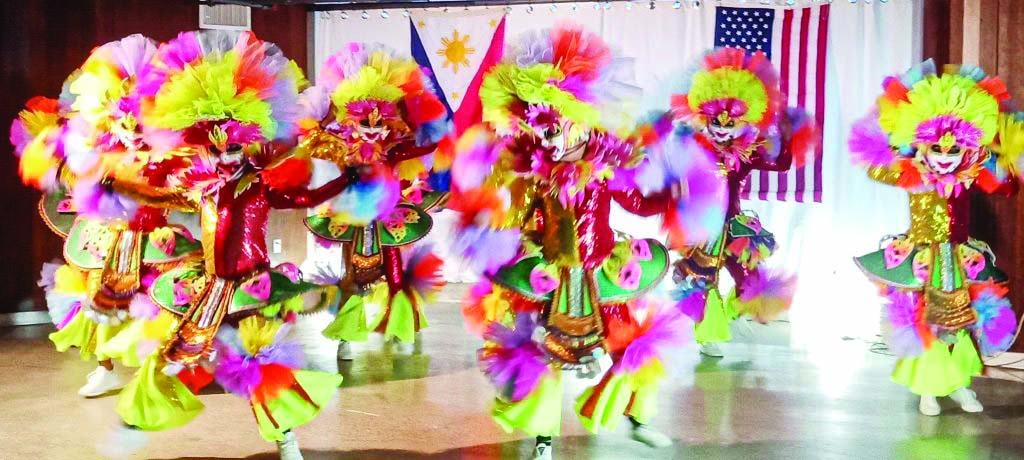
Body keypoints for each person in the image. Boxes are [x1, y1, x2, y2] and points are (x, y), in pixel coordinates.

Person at [450, 23, 717, 460]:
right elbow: (515, 213)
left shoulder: (605, 162)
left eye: (558, 121)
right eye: (540, 122)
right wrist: (487, 219)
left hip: (601, 270)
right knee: (539, 356)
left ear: (580, 117)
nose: (550, 133)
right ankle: (542, 441)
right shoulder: (529, 165)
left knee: (630, 345)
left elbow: (637, 202)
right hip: (547, 271)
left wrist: (673, 196)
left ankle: (637, 419)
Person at [98, 30, 348, 460]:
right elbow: (160, 195)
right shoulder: (202, 189)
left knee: (262, 366)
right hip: (210, 289)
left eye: (232, 147)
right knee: (177, 356)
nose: (224, 157)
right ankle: (135, 424)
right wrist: (121, 182)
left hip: (251, 290)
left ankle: (287, 441)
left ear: (245, 144)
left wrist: (346, 180)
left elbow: (304, 198)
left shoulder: (257, 186)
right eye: (215, 149)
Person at [10, 35, 200, 397]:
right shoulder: (99, 136)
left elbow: (175, 185)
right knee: (97, 296)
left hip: (152, 236)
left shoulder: (165, 142)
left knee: (158, 299)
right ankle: (106, 367)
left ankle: (160, 367)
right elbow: (78, 168)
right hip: (108, 235)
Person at [850, 60, 1021, 416]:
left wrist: (1005, 156)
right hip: (922, 259)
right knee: (925, 321)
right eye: (937, 149)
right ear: (923, 146)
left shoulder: (972, 174)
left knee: (961, 321)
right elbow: (874, 165)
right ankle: (928, 389)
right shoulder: (913, 172)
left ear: (967, 149)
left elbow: (1006, 187)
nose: (944, 157)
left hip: (959, 259)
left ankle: (959, 385)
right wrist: (886, 139)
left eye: (953, 150)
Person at [296, 43, 449, 357]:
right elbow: (313, 142)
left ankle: (401, 327)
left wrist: (424, 121)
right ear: (353, 119)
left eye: (380, 122)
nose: (373, 128)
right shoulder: (342, 149)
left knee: (394, 277)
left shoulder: (393, 150)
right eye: (366, 121)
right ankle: (346, 337)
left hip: (388, 221)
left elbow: (423, 146)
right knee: (352, 279)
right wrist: (320, 122)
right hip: (353, 221)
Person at [666, 47, 815, 358]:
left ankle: (729, 316)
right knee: (702, 283)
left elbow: (780, 164)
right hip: (701, 228)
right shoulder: (690, 147)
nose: (721, 129)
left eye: (729, 123)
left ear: (743, 122)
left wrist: (787, 136)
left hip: (734, 227)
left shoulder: (746, 152)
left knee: (749, 279)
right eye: (715, 122)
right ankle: (708, 333)